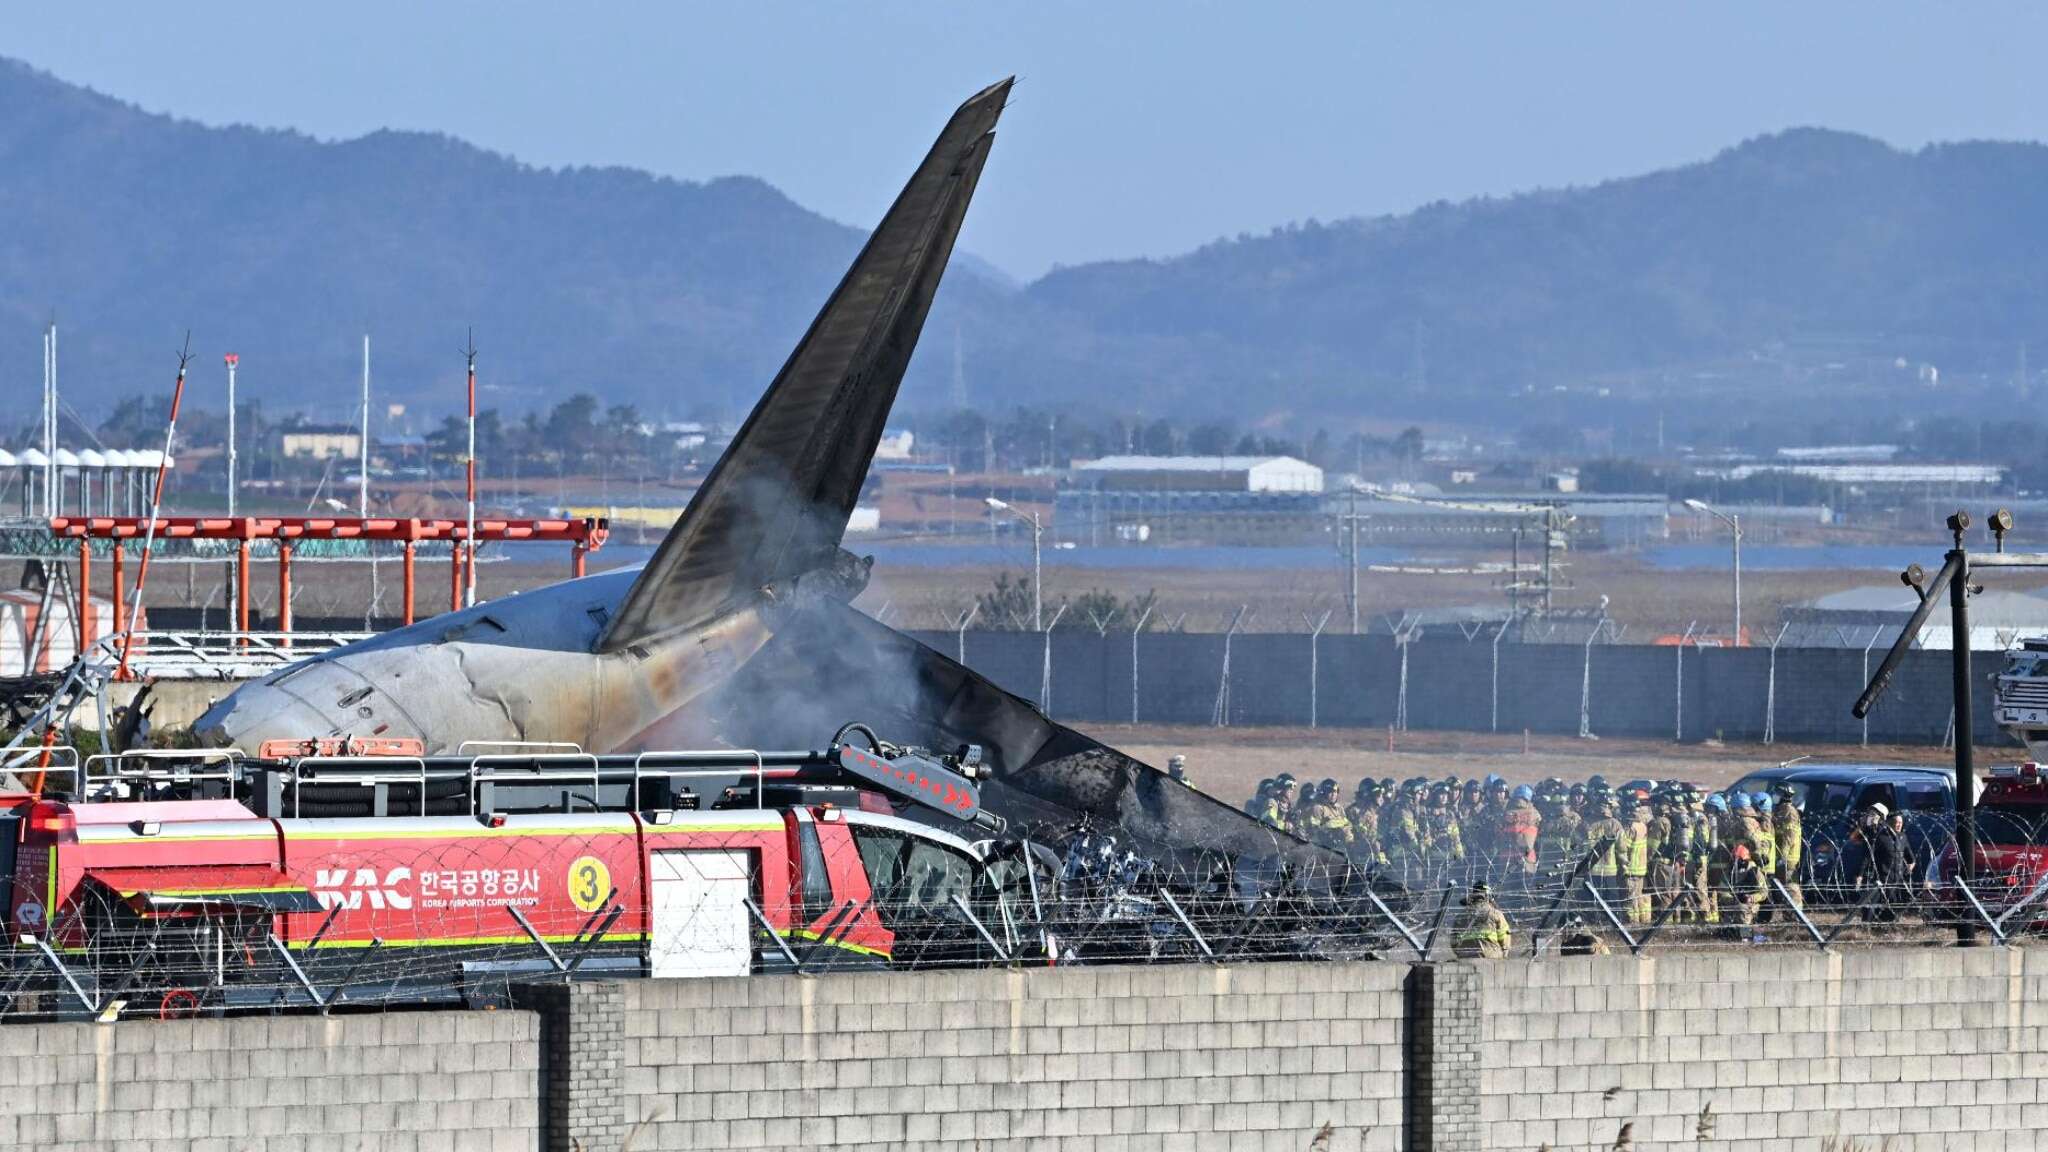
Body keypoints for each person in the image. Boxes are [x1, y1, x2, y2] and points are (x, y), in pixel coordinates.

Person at [1451, 881, 1512, 959]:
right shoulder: (1495, 913)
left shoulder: (1460, 916)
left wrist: (1462, 954)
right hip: (1491, 957)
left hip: (1465, 958)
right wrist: (1504, 956)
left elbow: (1453, 942)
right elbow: (1505, 939)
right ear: (1488, 896)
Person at [1772, 782, 1803, 913]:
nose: (1774, 796)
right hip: (1781, 856)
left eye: (1776, 794)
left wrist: (1782, 856)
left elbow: (1788, 836)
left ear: (1783, 795)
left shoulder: (1789, 812)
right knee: (1783, 888)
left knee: (1791, 887)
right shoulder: (1780, 810)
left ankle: (1795, 916)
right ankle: (1789, 914)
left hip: (1788, 858)